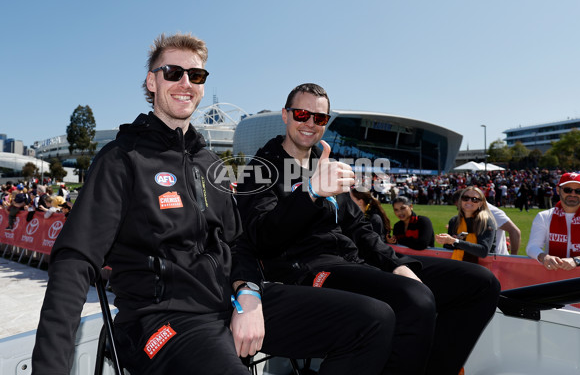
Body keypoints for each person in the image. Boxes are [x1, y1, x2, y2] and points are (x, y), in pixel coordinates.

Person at [32, 34, 396, 375]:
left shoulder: (210, 164)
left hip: (230, 303)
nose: (185, 82)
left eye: (196, 74)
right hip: (163, 320)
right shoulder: (121, 159)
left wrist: (248, 294)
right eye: (173, 72)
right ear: (151, 82)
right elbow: (75, 261)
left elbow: (240, 243)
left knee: (373, 319)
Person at [236, 83, 500, 375]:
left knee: (480, 283)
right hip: (308, 272)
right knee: (415, 299)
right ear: (285, 115)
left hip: (354, 264)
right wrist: (310, 193)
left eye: (320, 118)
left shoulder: (326, 167)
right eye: (302, 114)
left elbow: (358, 227)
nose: (310, 123)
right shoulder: (259, 168)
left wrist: (395, 263)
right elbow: (261, 238)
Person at [527, 172, 580, 270]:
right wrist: (545, 257)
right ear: (558, 190)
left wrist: (577, 261)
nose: (573, 194)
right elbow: (532, 247)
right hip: (553, 277)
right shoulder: (543, 216)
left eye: (578, 191)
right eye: (567, 190)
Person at [435, 186, 497, 263]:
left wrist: (455, 241)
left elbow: (483, 251)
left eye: (474, 199)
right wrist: (445, 240)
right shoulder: (454, 221)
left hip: (482, 268)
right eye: (465, 198)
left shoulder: (486, 221)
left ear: (480, 203)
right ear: (460, 201)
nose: (469, 201)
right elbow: (448, 247)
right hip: (457, 265)